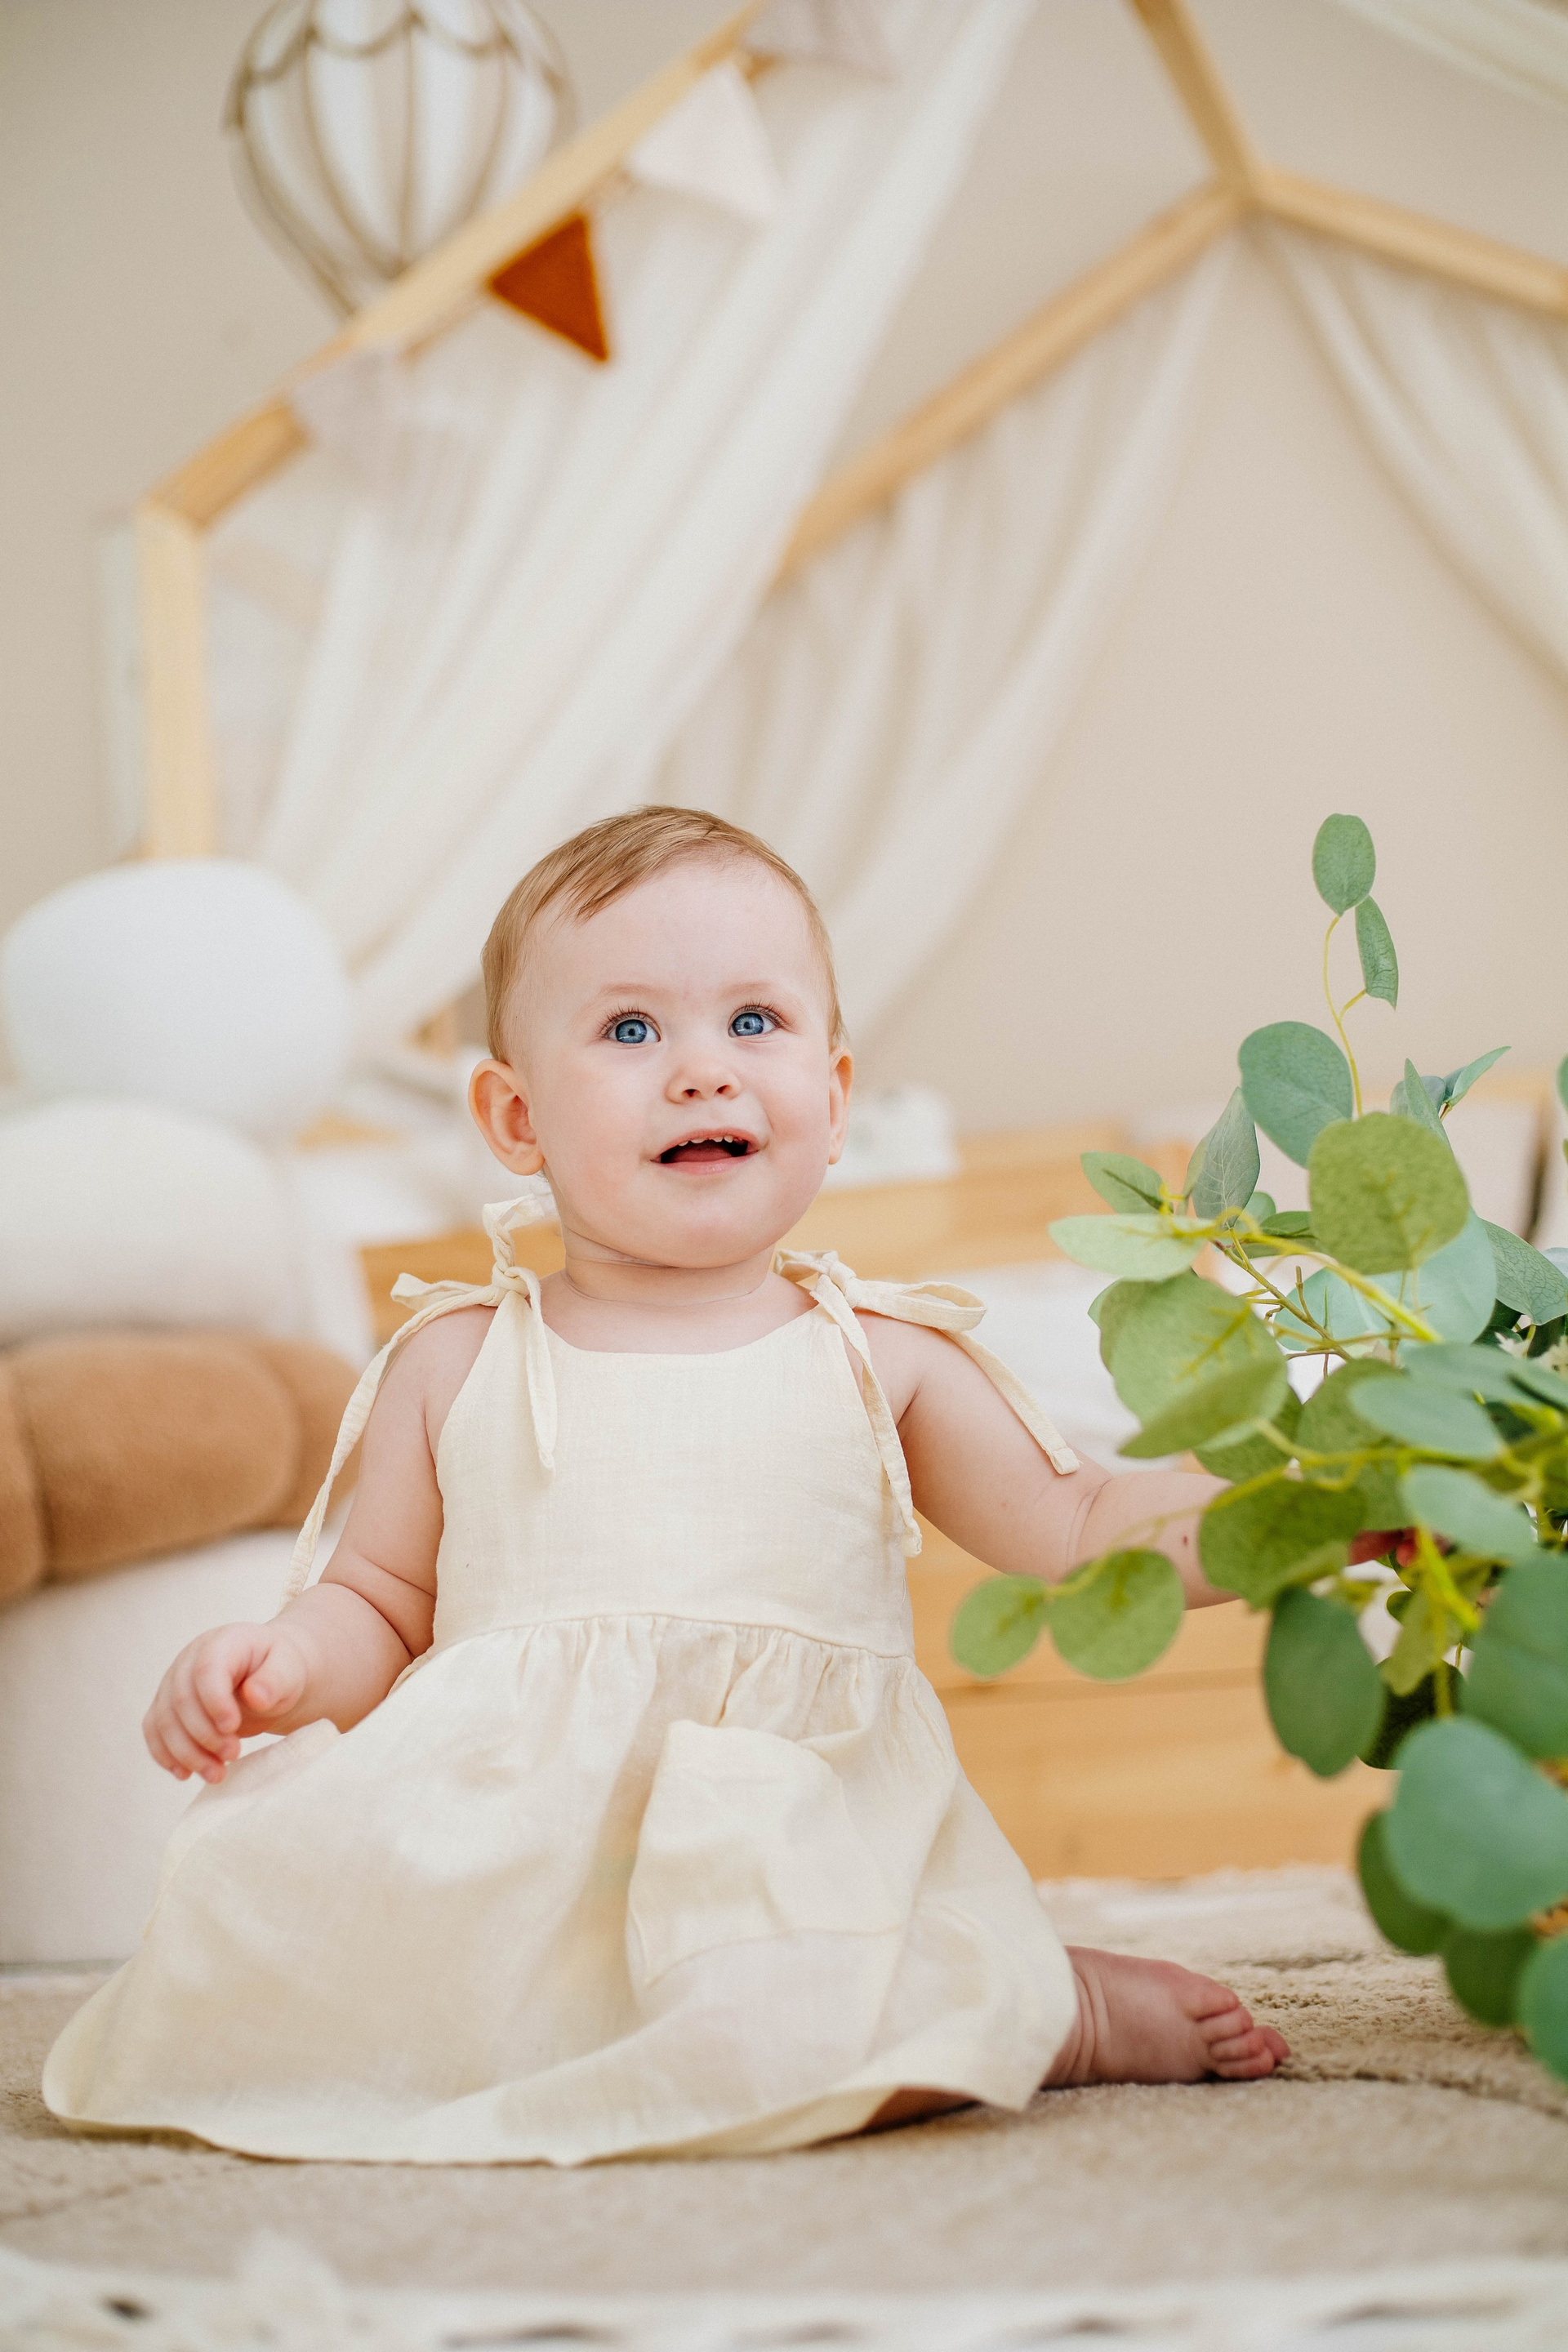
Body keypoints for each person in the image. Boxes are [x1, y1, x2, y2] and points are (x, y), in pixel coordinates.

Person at [44, 808, 1286, 2163]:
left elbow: (1083, 1523)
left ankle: (1051, 2009)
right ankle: (864, 2016)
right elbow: (380, 1606)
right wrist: (283, 1663)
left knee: (785, 2005)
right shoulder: (459, 1359)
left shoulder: (881, 1355)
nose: (703, 1071)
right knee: (275, 1967)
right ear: (516, 1117)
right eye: (632, 1029)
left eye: (755, 1021)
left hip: (787, 1858)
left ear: (835, 1096)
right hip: (518, 1861)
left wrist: (1295, 1515)